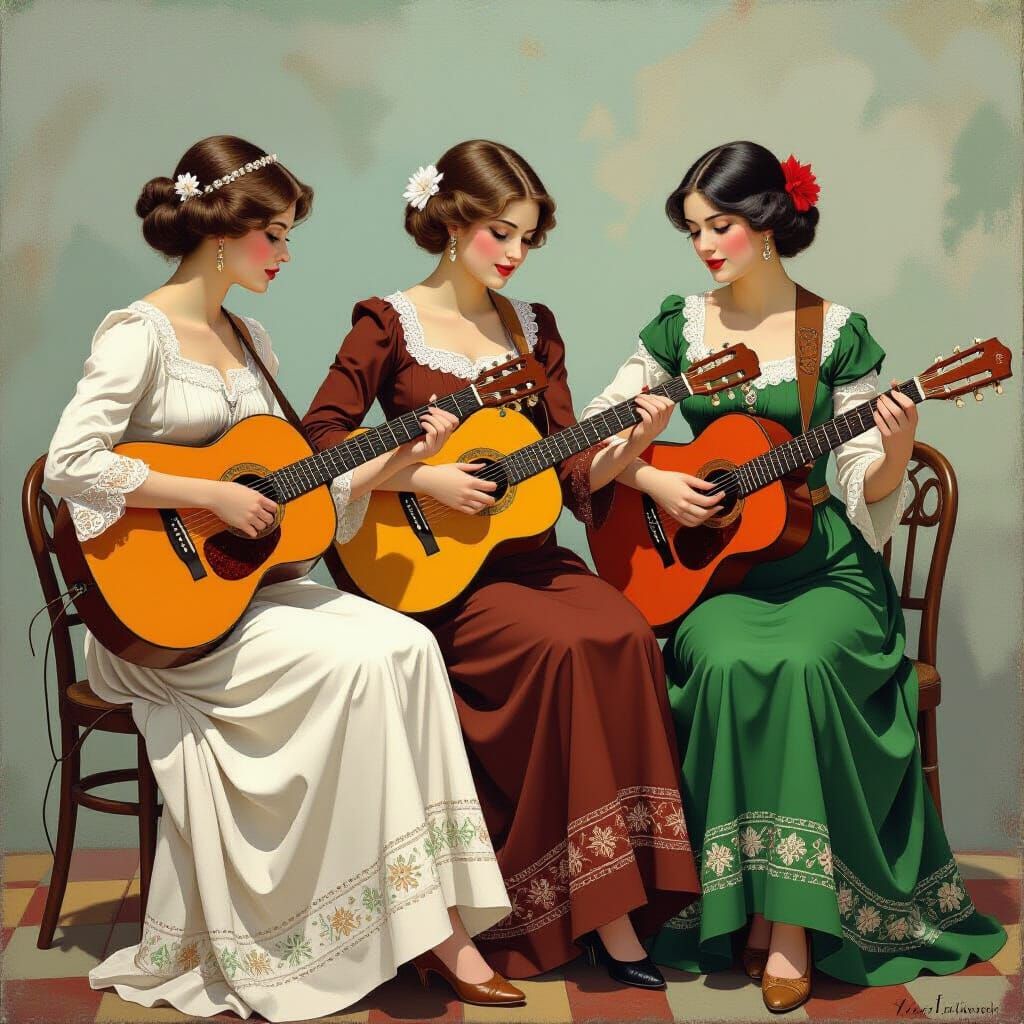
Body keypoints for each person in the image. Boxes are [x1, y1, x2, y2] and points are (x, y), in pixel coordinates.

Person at [43, 135, 523, 1021]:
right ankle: (374, 931)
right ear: (223, 233)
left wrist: (394, 461)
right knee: (359, 666)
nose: (287, 254)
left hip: (240, 598)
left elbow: (295, 481)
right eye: (277, 235)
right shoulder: (138, 332)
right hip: (158, 624)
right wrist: (210, 498)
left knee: (406, 643)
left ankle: (423, 916)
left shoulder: (249, 337)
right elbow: (71, 463)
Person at [580, 140, 1007, 1013]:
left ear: (769, 223)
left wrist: (889, 446)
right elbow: (595, 434)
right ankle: (735, 904)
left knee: (807, 664)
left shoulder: (838, 334)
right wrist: (657, 478)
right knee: (730, 662)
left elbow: (860, 487)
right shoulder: (678, 328)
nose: (705, 245)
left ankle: (791, 925)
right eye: (695, 228)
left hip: (826, 576)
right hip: (717, 583)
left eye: (722, 225)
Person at [301, 139, 701, 988]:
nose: (515, 254)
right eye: (500, 233)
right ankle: (566, 911)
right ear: (451, 223)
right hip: (432, 571)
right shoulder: (387, 323)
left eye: (527, 237)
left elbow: (565, 468)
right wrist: (422, 472)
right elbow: (321, 441)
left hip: (531, 559)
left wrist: (629, 445)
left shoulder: (534, 328)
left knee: (624, 633)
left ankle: (617, 903)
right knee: (561, 651)